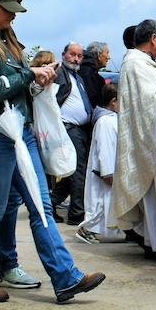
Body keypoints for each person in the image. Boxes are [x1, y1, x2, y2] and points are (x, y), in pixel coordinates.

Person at [0, 0, 105, 304]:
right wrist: (30, 74)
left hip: (14, 133)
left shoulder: (0, 42)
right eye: (8, 9)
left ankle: (66, 277)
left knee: (41, 207)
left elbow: (6, 87)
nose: (13, 15)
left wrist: (37, 78)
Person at [111, 20, 156, 257]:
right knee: (153, 196)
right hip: (148, 138)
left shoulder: (142, 63)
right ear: (153, 38)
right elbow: (150, 104)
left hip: (147, 137)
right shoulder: (136, 64)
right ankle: (155, 245)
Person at [51, 41, 95, 226]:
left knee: (69, 173)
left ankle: (50, 204)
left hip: (78, 130)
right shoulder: (59, 73)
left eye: (79, 55)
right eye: (72, 54)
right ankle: (77, 213)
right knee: (77, 171)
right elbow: (52, 99)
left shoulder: (76, 77)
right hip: (68, 129)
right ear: (63, 54)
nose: (76, 58)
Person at [79, 84, 126, 244]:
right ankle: (87, 229)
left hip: (112, 170)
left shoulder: (112, 119)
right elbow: (105, 149)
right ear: (113, 102)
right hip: (105, 172)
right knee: (100, 204)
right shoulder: (105, 121)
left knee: (104, 204)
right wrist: (108, 172)